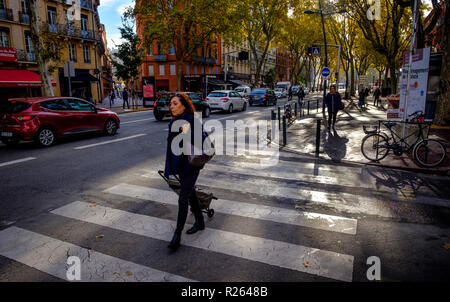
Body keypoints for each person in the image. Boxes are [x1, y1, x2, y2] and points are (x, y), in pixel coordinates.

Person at [165, 94, 206, 251]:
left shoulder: (192, 118)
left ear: (184, 105)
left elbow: (202, 140)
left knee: (183, 198)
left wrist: (188, 132)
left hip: (192, 164)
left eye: (175, 103)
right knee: (190, 194)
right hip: (181, 164)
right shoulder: (173, 121)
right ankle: (200, 221)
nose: (172, 106)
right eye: (170, 104)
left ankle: (177, 235)